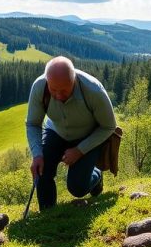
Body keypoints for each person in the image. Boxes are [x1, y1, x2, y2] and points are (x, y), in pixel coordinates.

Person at [26, 56, 118, 211]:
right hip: (55, 130)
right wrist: (37, 154)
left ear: (74, 80)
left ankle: (96, 175)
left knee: (77, 188)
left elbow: (109, 127)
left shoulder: (93, 90)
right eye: (53, 90)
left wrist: (79, 150)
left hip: (88, 135)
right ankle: (48, 214)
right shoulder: (39, 87)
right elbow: (33, 124)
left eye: (64, 90)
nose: (58, 95)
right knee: (42, 171)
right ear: (47, 81)